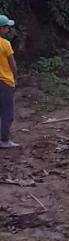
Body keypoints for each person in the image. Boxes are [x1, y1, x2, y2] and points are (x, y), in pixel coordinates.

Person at [0, 14, 18, 149]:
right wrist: (15, 78)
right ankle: (4, 140)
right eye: (6, 27)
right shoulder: (5, 44)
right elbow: (13, 65)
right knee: (7, 112)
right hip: (5, 82)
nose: (8, 30)